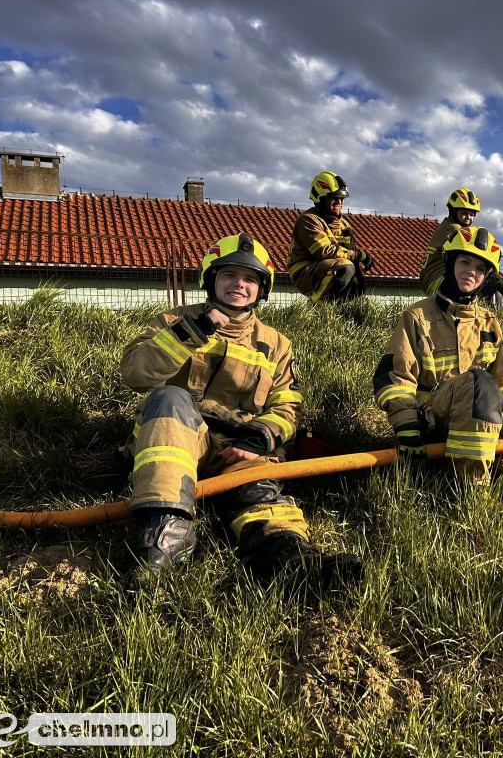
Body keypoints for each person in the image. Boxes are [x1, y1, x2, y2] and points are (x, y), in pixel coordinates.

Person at [121, 232, 363, 585]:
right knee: (169, 398)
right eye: (230, 275)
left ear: (261, 289)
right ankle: (163, 540)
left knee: (260, 492)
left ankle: (286, 555)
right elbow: (135, 373)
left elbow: (287, 405)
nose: (240, 284)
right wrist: (192, 333)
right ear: (211, 280)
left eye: (250, 279)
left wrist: (258, 441)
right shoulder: (175, 320)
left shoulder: (276, 344)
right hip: (178, 440)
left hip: (239, 450)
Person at [374, 226, 503, 484]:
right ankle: (472, 489)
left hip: (476, 418)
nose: (470, 272)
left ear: (486, 277)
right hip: (430, 422)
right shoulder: (417, 317)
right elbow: (396, 377)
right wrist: (406, 425)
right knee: (478, 381)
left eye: (480, 268)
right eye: (464, 261)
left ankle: (470, 466)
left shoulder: (488, 321)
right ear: (449, 262)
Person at [286, 171, 375, 302]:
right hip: (304, 271)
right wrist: (358, 255)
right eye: (333, 198)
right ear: (319, 198)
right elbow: (324, 252)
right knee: (345, 267)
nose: (338, 202)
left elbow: (351, 253)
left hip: (329, 266)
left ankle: (336, 310)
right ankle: (317, 307)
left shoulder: (344, 224)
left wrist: (359, 281)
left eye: (341, 198)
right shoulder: (308, 220)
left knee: (355, 284)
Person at [421, 187, 503, 302]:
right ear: (453, 212)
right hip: (437, 280)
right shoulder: (454, 229)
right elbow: (476, 253)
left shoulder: (449, 226)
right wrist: (492, 276)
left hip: (433, 278)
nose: (468, 218)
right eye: (464, 213)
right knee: (482, 280)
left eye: (472, 215)